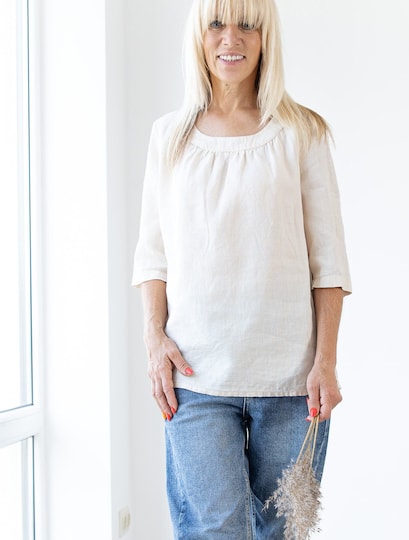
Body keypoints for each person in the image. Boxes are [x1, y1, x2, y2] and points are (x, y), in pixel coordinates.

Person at [131, 0, 352, 537]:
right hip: (196, 378)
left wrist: (325, 363)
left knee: (281, 532)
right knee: (217, 530)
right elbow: (153, 255)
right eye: (217, 24)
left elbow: (329, 261)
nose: (231, 39)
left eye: (248, 25)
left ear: (265, 37)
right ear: (199, 35)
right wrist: (154, 341)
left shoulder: (302, 133)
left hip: (291, 381)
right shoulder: (169, 137)